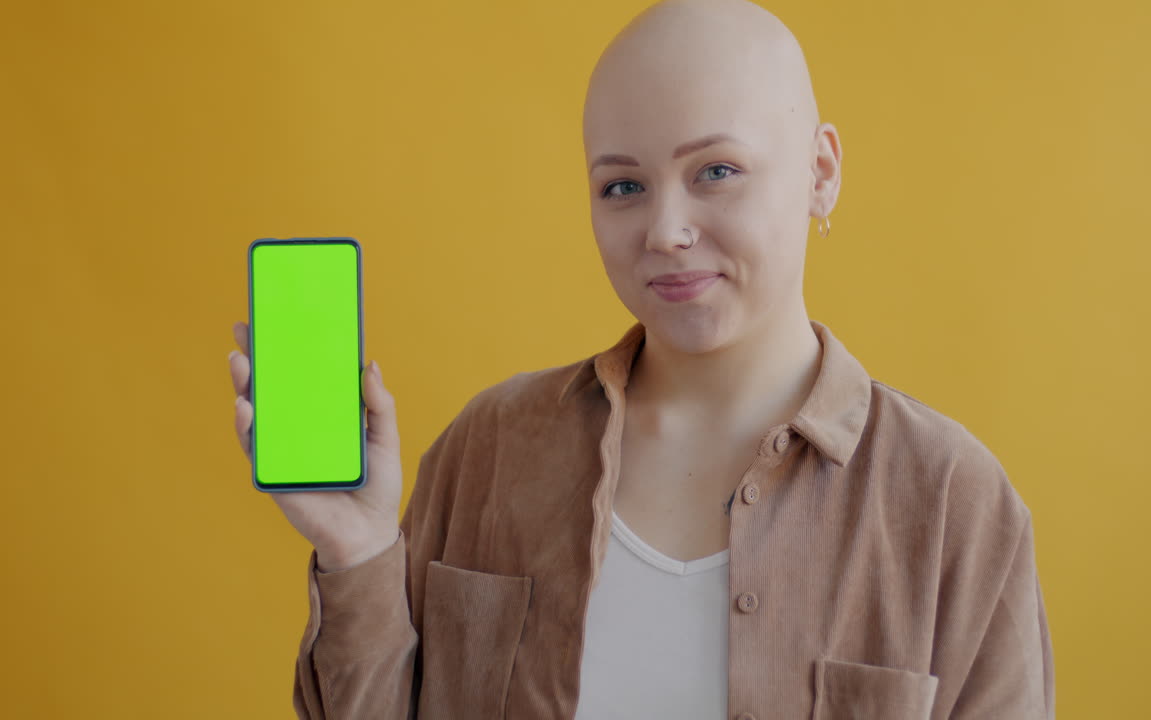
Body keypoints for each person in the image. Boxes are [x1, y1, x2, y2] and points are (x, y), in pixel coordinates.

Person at [226, 0, 1055, 717]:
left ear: (821, 172)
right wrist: (359, 550)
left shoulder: (954, 504)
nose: (665, 231)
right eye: (623, 186)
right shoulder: (487, 449)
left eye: (717, 171)